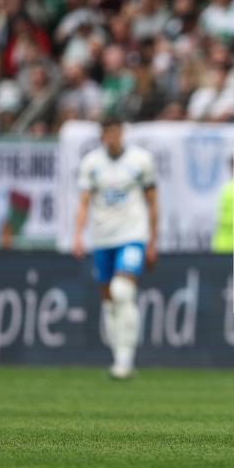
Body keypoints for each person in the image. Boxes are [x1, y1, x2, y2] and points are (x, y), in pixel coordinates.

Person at [73, 119, 158, 379]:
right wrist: (77, 235)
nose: (112, 137)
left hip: (132, 234)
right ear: (102, 136)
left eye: (115, 132)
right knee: (109, 300)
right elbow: (84, 203)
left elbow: (153, 202)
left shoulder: (141, 160)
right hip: (102, 238)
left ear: (121, 133)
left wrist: (153, 240)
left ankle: (125, 360)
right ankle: (117, 356)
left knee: (123, 291)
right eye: (107, 133)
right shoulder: (91, 163)